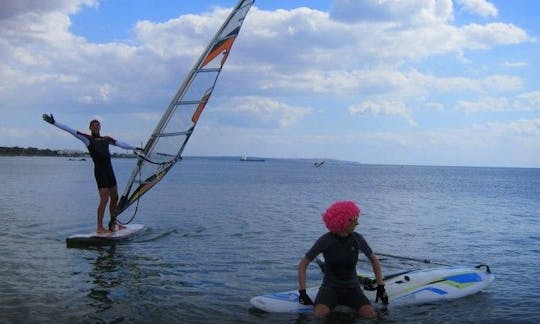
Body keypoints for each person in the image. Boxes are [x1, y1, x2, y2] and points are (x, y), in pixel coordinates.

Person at [42, 113, 138, 234]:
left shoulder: (106, 139)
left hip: (110, 170)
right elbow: (71, 130)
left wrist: (136, 148)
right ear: (90, 128)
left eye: (97, 125)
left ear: (100, 127)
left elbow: (120, 144)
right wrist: (55, 123)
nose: (95, 127)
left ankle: (113, 223)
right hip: (100, 172)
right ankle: (99, 227)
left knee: (115, 197)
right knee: (104, 199)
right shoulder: (88, 139)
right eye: (93, 125)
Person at [297, 200, 388, 319]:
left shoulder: (358, 239)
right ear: (343, 221)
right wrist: (302, 293)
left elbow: (374, 260)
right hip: (330, 288)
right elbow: (303, 264)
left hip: (353, 288)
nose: (357, 223)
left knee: (370, 315)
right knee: (319, 315)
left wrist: (381, 286)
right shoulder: (325, 240)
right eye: (354, 219)